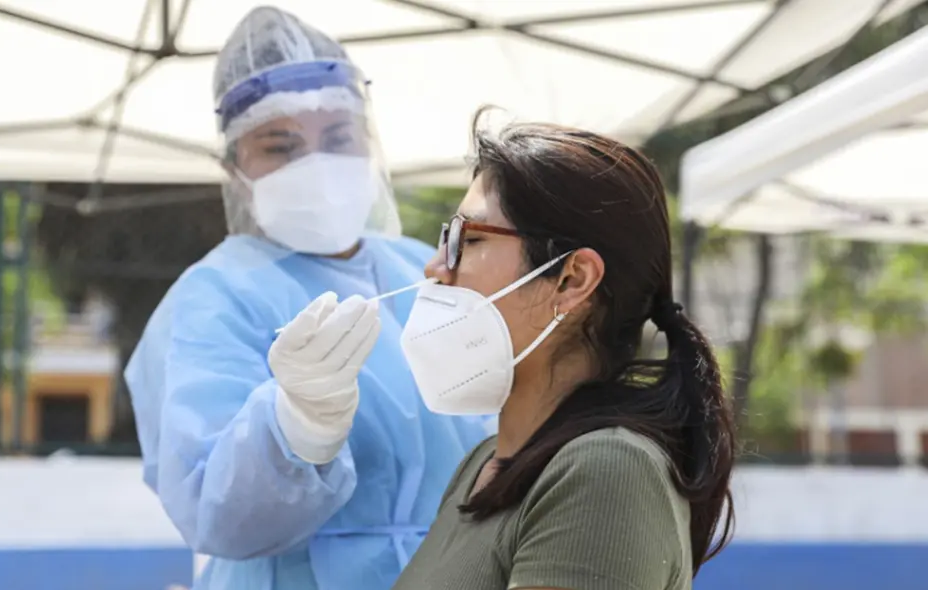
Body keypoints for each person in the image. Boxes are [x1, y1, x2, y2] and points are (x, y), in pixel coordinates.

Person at [123, 7, 488, 590]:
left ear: (368, 142)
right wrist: (295, 429)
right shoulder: (213, 298)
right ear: (234, 170)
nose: (317, 165)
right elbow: (216, 514)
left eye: (338, 138)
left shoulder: (422, 267)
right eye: (280, 146)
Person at [391, 110, 736, 590]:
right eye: (446, 238)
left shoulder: (607, 469)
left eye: (470, 240)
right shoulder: (483, 464)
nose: (435, 267)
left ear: (572, 280)